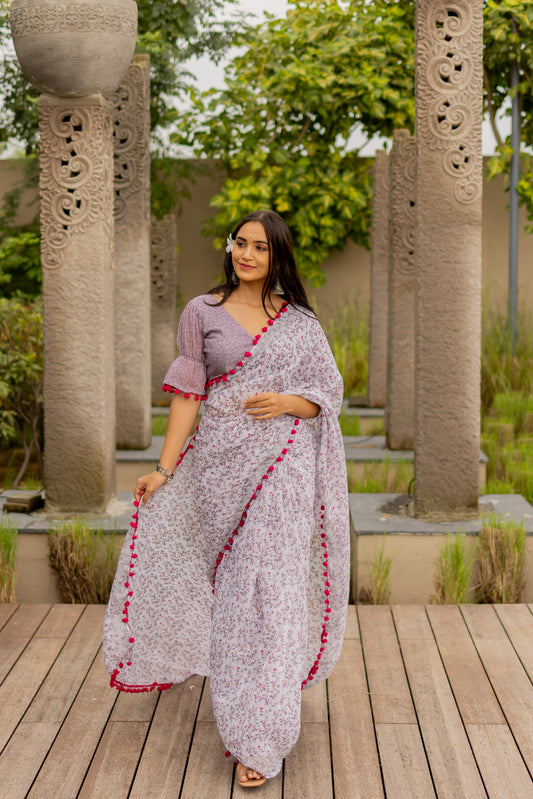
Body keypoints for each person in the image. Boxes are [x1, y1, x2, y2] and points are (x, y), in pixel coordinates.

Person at [103, 209, 350, 788]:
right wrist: (163, 469)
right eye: (241, 243)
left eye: (260, 247)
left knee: (273, 592)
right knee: (239, 602)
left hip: (284, 469)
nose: (247, 255)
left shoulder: (299, 323)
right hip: (220, 471)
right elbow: (188, 396)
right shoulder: (202, 313)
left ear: (277, 256)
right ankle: (252, 708)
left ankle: (259, 738)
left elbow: (327, 391)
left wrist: (291, 402)